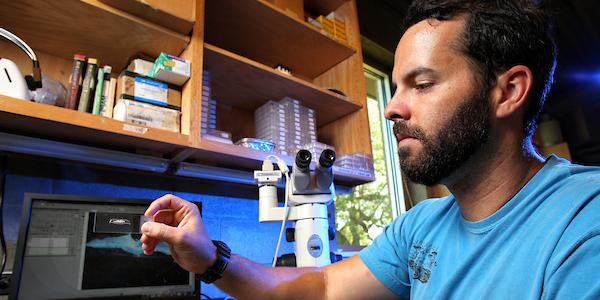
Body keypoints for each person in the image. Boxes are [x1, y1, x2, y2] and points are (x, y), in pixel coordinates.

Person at [141, 0, 600, 299]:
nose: (391, 108)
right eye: (395, 86)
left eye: (421, 84)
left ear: (508, 91)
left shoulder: (584, 221)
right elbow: (321, 289)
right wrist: (211, 259)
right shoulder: (421, 227)